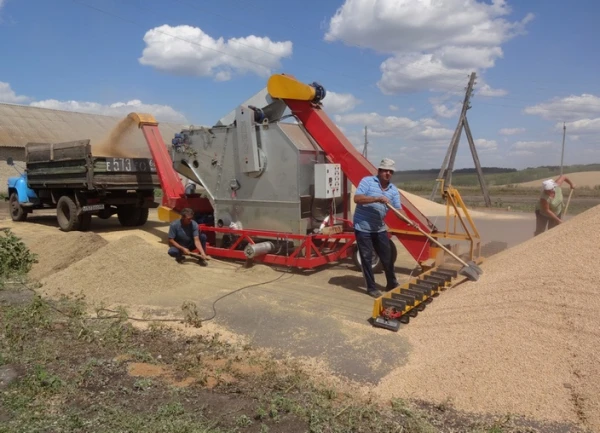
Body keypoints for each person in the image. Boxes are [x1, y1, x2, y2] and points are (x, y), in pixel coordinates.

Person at [353, 158, 402, 298]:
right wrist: (376, 198)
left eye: (390, 171)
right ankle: (371, 287)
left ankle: (391, 283)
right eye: (385, 170)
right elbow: (357, 199)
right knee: (366, 258)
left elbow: (399, 210)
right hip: (363, 227)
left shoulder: (393, 191)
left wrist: (408, 220)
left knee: (387, 257)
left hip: (379, 228)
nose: (387, 173)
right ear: (379, 171)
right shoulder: (367, 182)